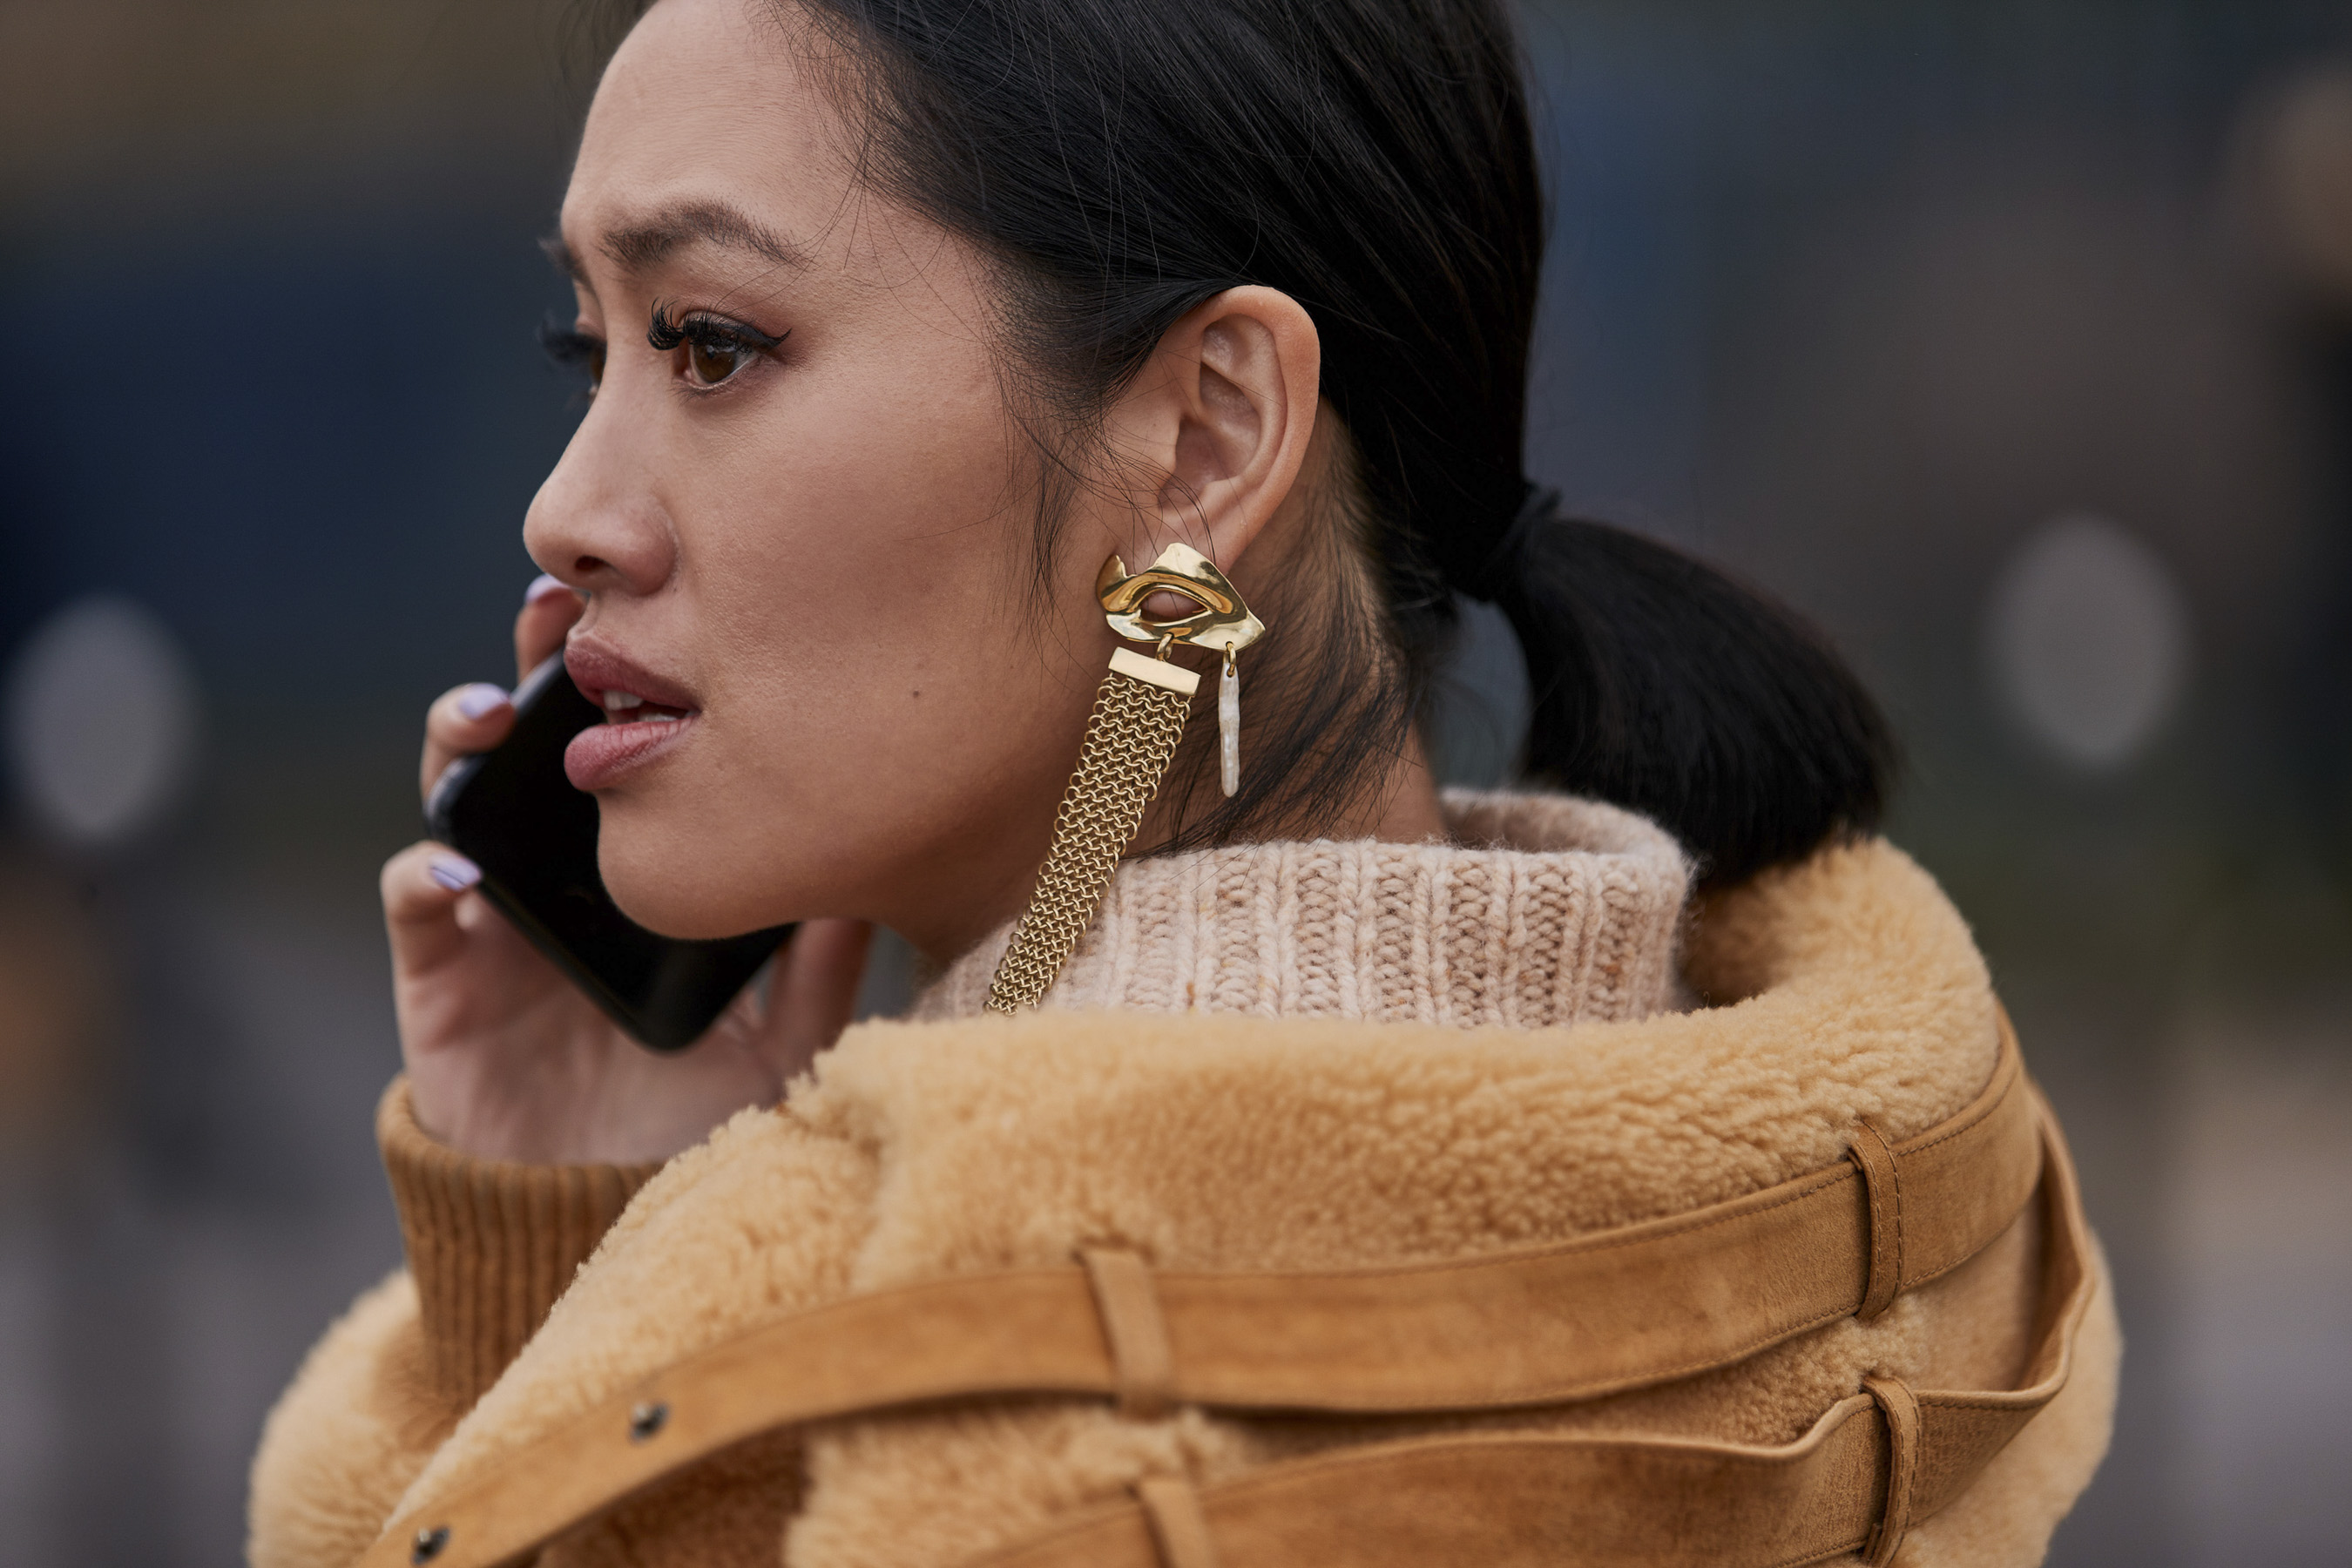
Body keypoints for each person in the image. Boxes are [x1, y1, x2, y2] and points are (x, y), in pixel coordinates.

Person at [247, 0, 2119, 1564]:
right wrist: (600, 1273)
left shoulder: (1032, 1410)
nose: (565, 509)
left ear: (1209, 437)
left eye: (712, 344)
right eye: (593, 350)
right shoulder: (1844, 1225)